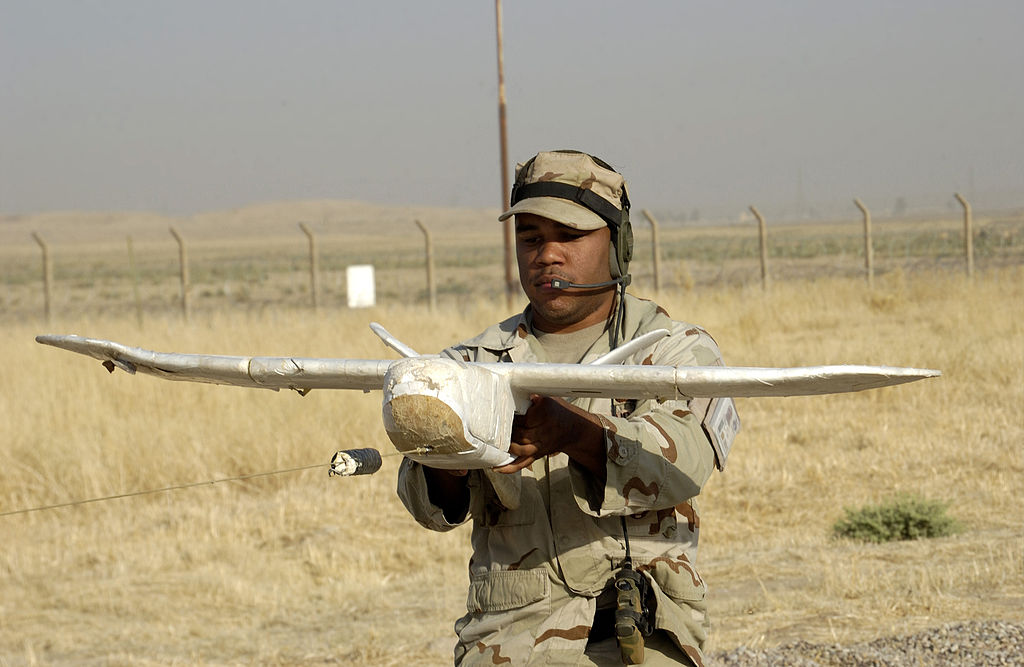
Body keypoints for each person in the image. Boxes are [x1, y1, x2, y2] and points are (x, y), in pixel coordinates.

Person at [397, 150, 737, 666]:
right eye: (531, 238)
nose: (547, 255)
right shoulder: (471, 364)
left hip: (641, 642)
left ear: (618, 245)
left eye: (570, 237)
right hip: (508, 646)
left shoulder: (672, 350)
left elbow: (685, 464)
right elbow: (429, 507)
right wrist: (453, 446)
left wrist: (573, 433)